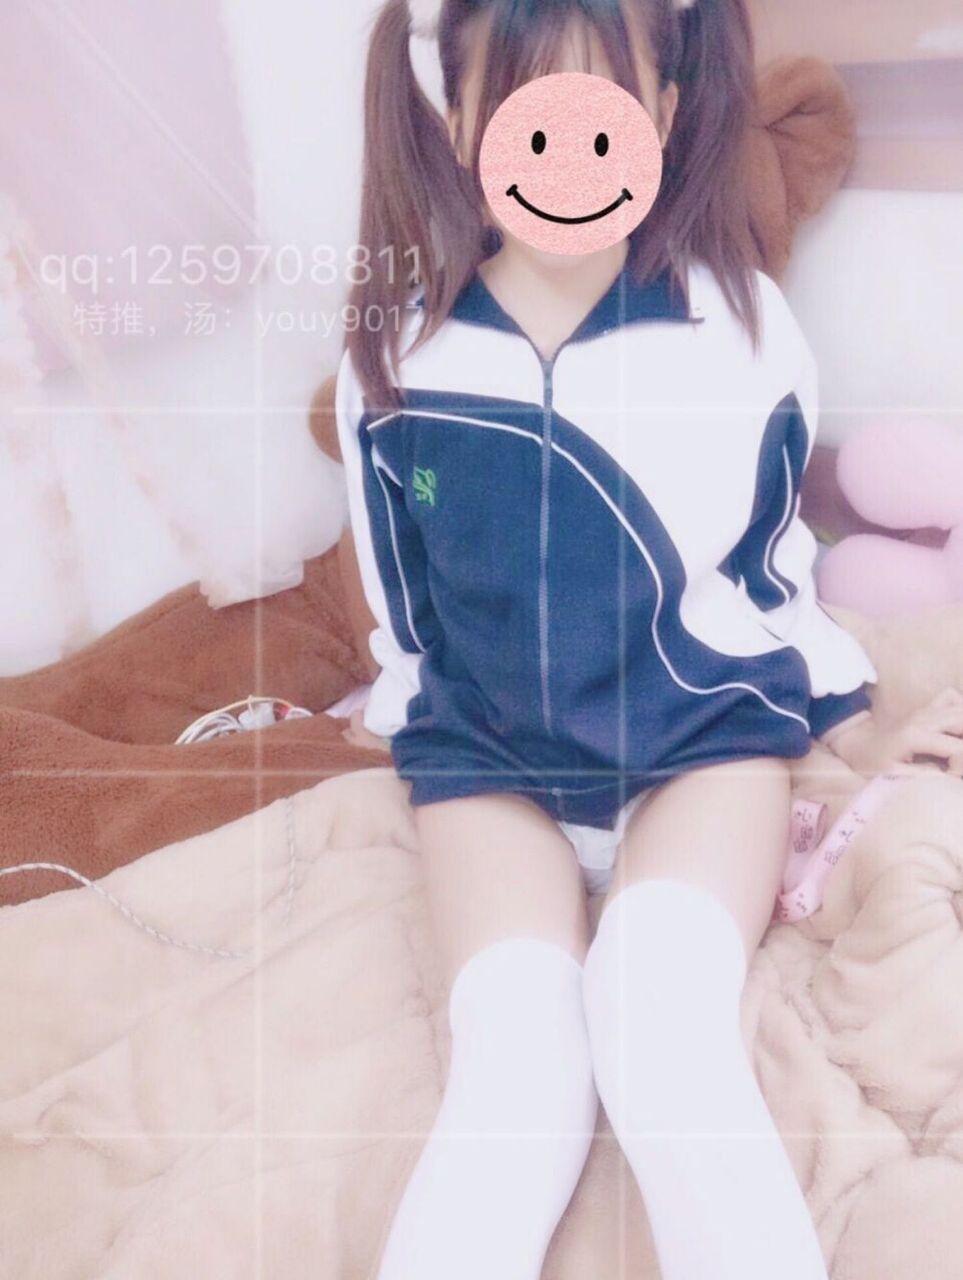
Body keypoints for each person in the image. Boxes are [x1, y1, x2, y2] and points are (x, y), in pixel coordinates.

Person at [334, 0, 963, 1276]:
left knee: (657, 1022)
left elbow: (772, 565)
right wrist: (394, 712)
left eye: (606, 106)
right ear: (455, 121)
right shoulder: (396, 360)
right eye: (525, 107)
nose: (569, 148)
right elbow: (405, 604)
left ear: (666, 116)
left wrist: (853, 714)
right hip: (493, 764)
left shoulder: (740, 330)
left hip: (701, 746)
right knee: (518, 1060)